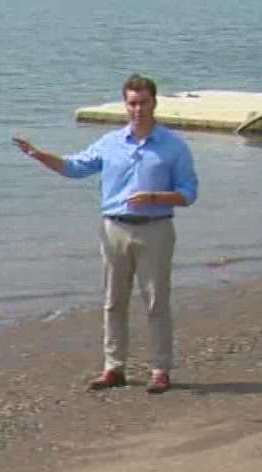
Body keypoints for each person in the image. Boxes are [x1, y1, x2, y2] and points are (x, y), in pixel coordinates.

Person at [13, 74, 199, 395]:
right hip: (114, 228)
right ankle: (114, 367)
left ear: (154, 103)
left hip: (155, 229)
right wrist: (38, 155)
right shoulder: (110, 143)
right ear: (124, 105)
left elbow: (189, 192)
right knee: (114, 302)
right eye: (132, 103)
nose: (137, 109)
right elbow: (74, 167)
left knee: (156, 302)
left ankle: (160, 369)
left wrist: (155, 197)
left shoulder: (173, 146)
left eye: (143, 102)